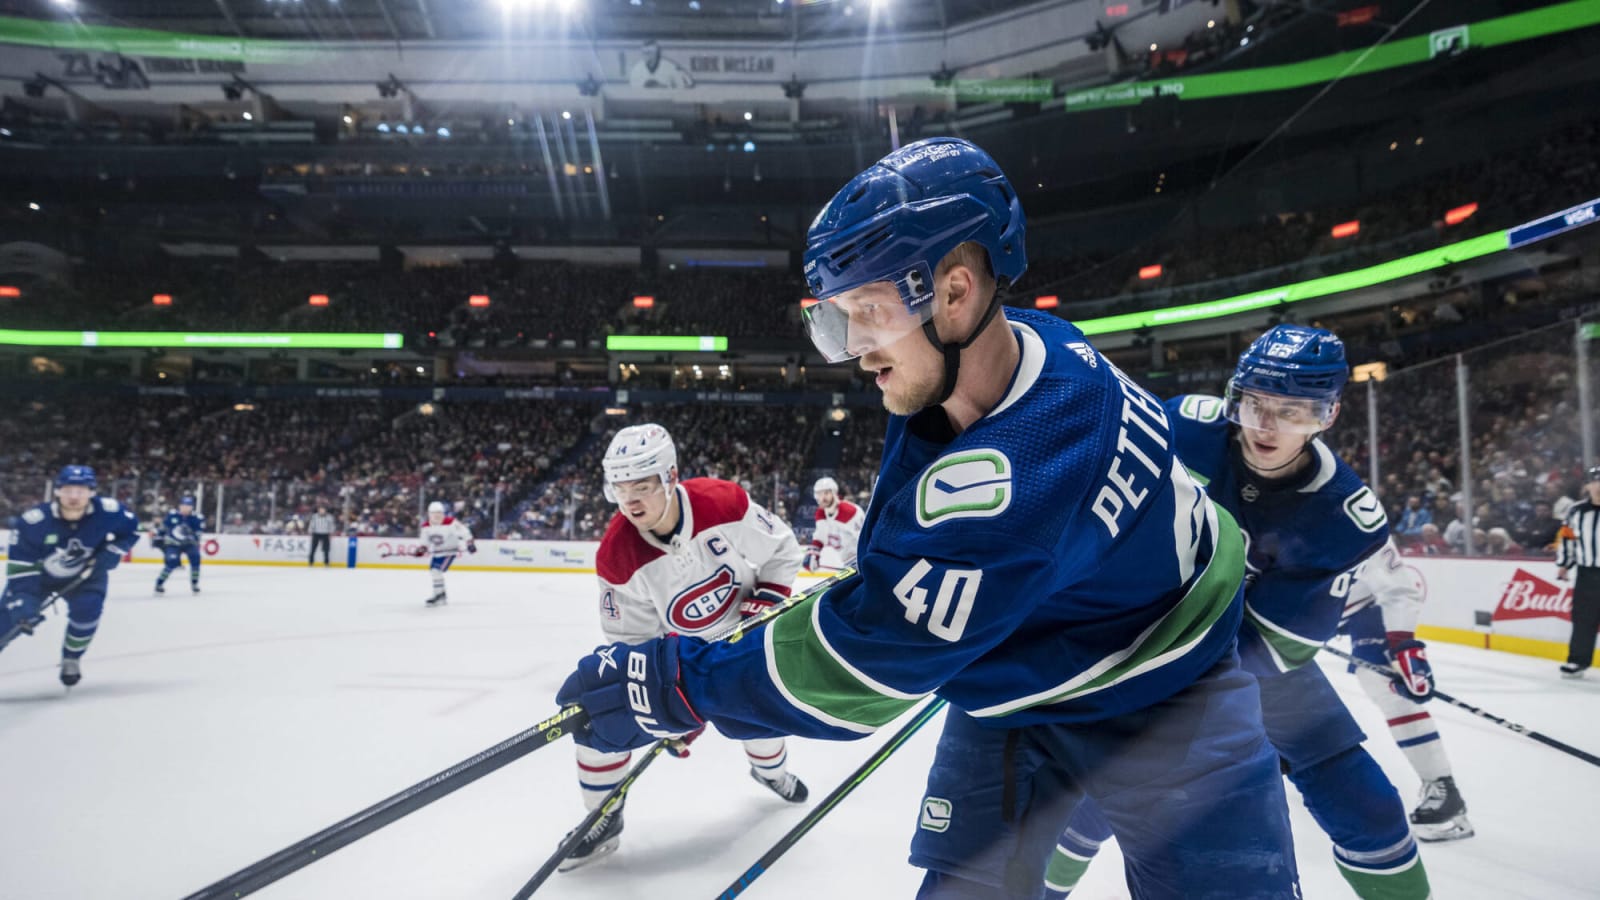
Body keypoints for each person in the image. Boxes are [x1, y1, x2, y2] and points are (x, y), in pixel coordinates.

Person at [556, 138, 1299, 899]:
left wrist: (681, 682)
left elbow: (868, 661)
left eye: (869, 314)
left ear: (955, 292)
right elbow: (902, 583)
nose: (856, 353)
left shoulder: (1017, 476)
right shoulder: (1026, 350)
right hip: (1018, 685)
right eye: (838, 320)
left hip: (1173, 695)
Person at [1045, 325, 1432, 900]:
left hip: (1231, 660)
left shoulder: (1344, 517)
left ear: (1326, 416)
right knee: (1097, 798)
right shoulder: (1187, 426)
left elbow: (1273, 650)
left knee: (1368, 807)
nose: (1267, 426)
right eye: (1255, 404)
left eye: (1293, 411)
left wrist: (1167, 674)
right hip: (1137, 631)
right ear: (1236, 396)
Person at [558, 423, 810, 871]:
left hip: (743, 640)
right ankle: (602, 818)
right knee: (601, 721)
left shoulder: (721, 501)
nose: (630, 501)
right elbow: (632, 647)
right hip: (682, 661)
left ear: (670, 476)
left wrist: (763, 606)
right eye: (620, 489)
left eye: (642, 486)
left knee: (764, 722)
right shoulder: (617, 556)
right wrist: (665, 701)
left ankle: (772, 774)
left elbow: (783, 550)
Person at [1339, 536, 1473, 841]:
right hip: (1304, 618)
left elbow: (1398, 587)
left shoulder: (1347, 505)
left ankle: (1443, 789)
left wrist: (1403, 647)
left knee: (1387, 688)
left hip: (1367, 609)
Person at [1, 466, 140, 686]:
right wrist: (23, 600)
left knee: (88, 610)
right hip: (37, 579)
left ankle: (71, 659)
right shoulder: (33, 522)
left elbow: (131, 530)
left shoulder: (110, 512)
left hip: (86, 575)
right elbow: (21, 566)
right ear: (57, 491)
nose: (74, 496)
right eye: (68, 490)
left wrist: (113, 551)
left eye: (81, 490)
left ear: (92, 492)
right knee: (8, 620)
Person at [1555, 465, 1600, 678]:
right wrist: (1564, 563)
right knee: (1583, 618)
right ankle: (1577, 661)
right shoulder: (1576, 511)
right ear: (1588, 485)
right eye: (1595, 481)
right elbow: (1567, 538)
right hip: (1586, 573)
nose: (1599, 486)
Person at [413, 501, 475, 607]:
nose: (436, 516)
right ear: (429, 514)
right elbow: (425, 542)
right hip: (438, 553)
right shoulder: (426, 527)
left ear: (443, 513)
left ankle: (438, 595)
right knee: (434, 571)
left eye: (439, 513)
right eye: (434, 513)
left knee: (436, 570)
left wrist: (469, 543)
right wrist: (421, 549)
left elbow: (465, 532)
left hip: (449, 552)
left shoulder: (450, 522)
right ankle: (441, 594)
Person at [806, 476, 863, 572]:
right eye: (819, 494)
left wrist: (863, 560)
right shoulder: (821, 513)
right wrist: (814, 553)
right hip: (847, 563)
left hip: (859, 561)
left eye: (826, 493)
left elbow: (866, 536)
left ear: (834, 493)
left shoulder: (849, 511)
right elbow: (820, 536)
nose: (823, 498)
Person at [154, 494, 205, 594]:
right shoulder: (172, 515)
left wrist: (193, 536)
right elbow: (164, 527)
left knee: (196, 559)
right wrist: (159, 536)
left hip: (189, 544)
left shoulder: (197, 518)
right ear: (180, 506)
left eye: (188, 505)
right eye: (183, 505)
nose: (185, 508)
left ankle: (195, 584)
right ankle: (159, 583)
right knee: (171, 561)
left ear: (192, 507)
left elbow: (198, 532)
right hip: (173, 544)